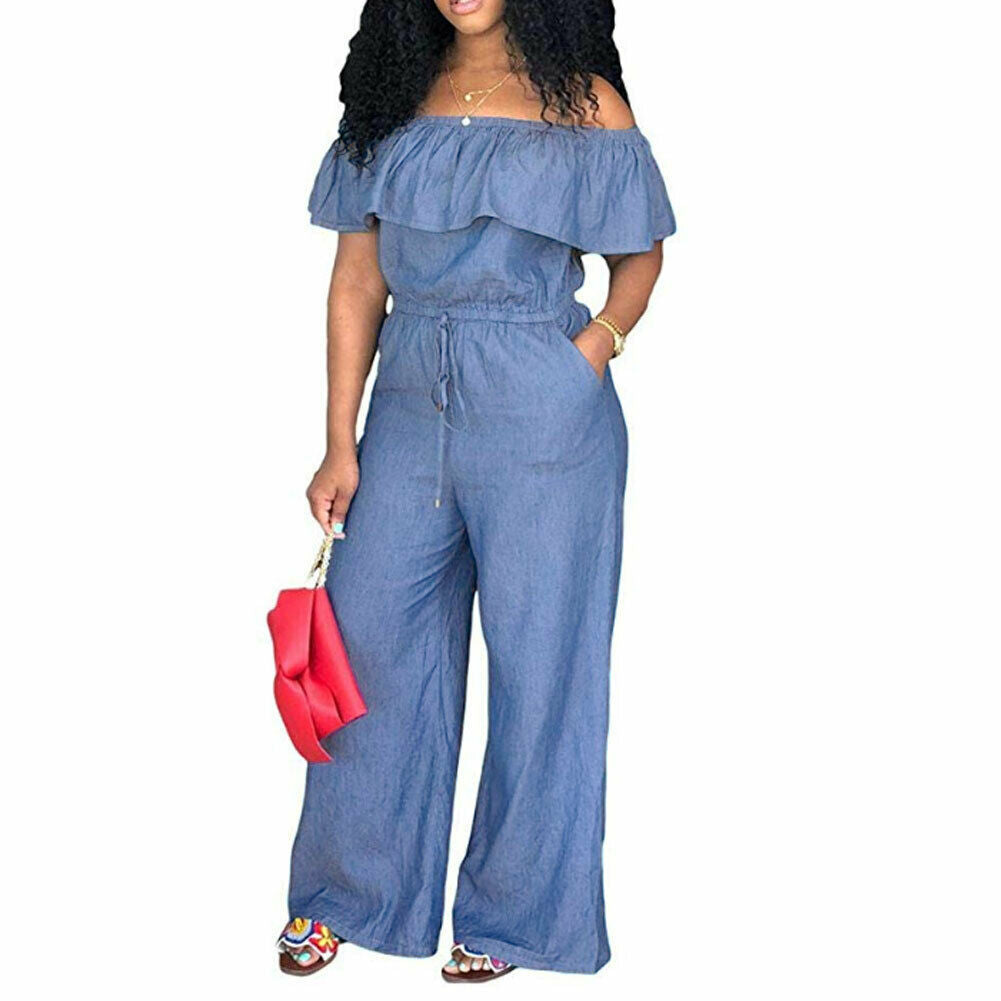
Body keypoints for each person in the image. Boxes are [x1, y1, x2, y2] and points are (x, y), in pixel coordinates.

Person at [276, 0, 675, 981]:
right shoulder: (389, 102)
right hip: (408, 398)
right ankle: (348, 895)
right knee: (368, 644)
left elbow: (640, 253)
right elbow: (357, 279)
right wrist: (338, 441)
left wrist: (590, 350)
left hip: (542, 403)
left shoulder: (583, 102)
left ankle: (515, 918)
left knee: (544, 669)